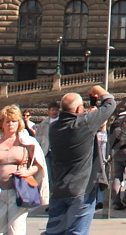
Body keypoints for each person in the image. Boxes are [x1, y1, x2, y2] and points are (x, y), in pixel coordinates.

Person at [43, 86, 116, 235]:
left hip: (59, 189)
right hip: (81, 189)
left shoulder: (54, 127)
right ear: (78, 110)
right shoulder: (83, 124)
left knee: (54, 232)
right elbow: (110, 104)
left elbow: (81, 118)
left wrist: (91, 105)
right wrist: (98, 90)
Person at [0, 106, 42, 235]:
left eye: (14, 121)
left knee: (16, 230)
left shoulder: (28, 142)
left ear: (19, 123)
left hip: (18, 192)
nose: (11, 124)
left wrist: (28, 172)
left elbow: (38, 165)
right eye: (7, 121)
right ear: (2, 124)